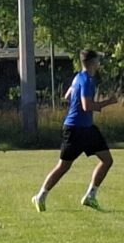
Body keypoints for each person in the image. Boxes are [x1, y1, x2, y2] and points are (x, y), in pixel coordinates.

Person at [33, 49, 116, 211]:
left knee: (106, 160)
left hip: (86, 129)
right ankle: (40, 196)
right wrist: (108, 102)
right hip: (77, 130)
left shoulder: (78, 77)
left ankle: (89, 196)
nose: (99, 63)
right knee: (64, 166)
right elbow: (86, 106)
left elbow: (67, 96)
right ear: (92, 62)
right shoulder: (87, 80)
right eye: (97, 60)